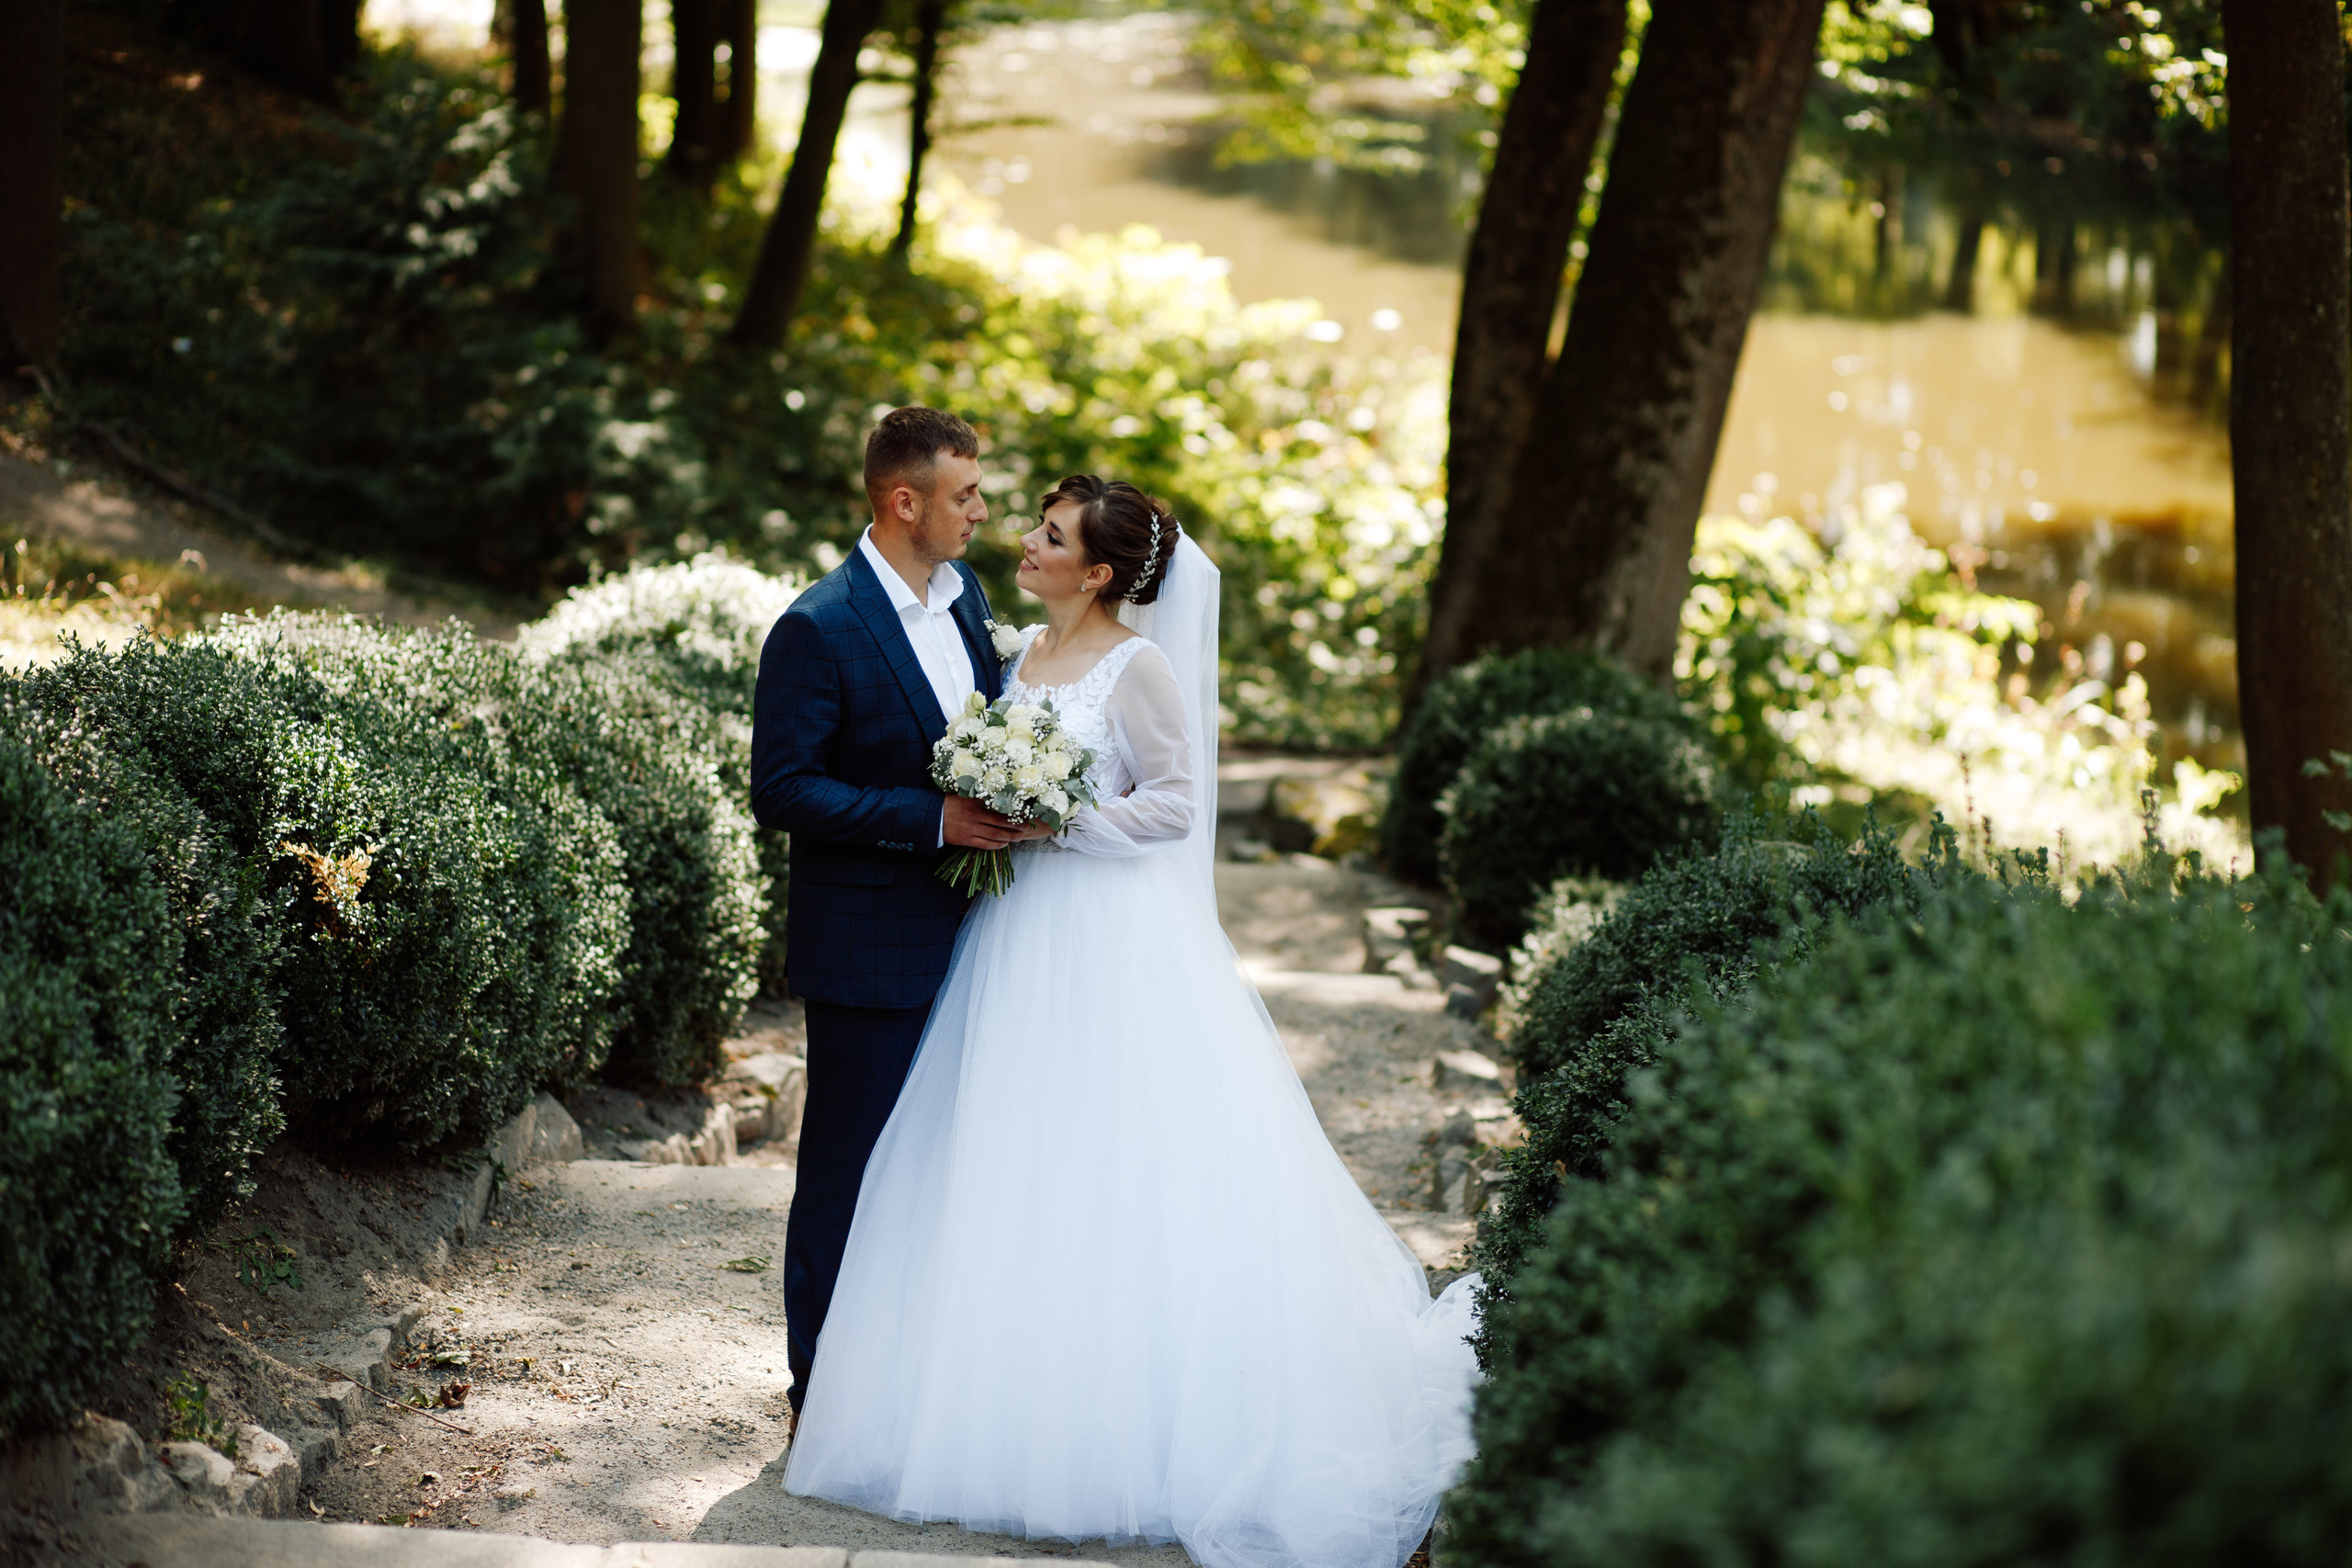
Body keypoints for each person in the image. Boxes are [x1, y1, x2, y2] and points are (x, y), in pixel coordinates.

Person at [781, 474, 1481, 1568]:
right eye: (1035, 525)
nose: (1026, 540)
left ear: (1098, 571)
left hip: (1103, 933)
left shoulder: (1137, 665)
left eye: (1051, 535)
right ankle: (1002, 1398)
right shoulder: (1015, 653)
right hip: (1009, 935)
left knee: (1115, 1155)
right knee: (1005, 1153)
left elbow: (1175, 804)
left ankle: (1127, 1419)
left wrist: (1059, 817)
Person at [749, 406, 1044, 1429]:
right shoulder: (818, 625)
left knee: (947, 1170)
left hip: (981, 939)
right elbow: (783, 789)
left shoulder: (968, 601)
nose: (983, 511)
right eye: (966, 494)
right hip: (867, 952)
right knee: (848, 1172)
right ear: (904, 501)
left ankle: (916, 1383)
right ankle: (821, 1395)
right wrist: (932, 820)